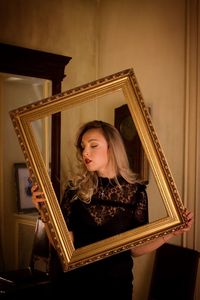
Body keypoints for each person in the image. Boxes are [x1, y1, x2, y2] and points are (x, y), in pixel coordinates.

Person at [32, 120, 193, 300]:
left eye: (93, 145)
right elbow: (61, 245)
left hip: (115, 286)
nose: (85, 152)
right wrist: (45, 212)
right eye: (83, 147)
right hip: (72, 285)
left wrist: (171, 232)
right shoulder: (74, 190)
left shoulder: (136, 193)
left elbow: (135, 248)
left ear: (112, 148)